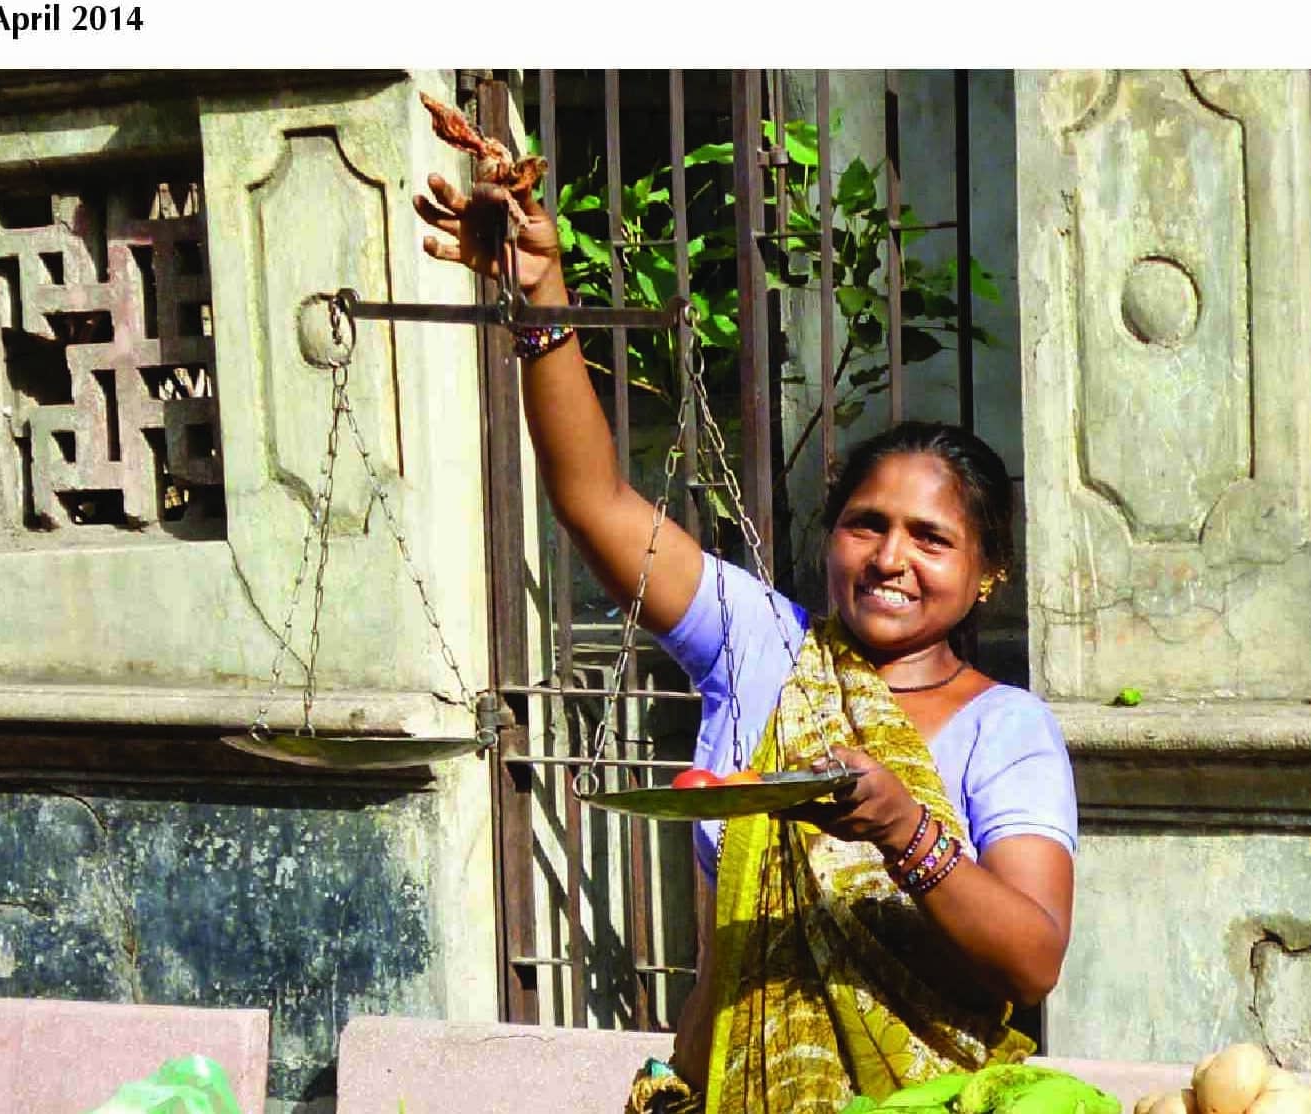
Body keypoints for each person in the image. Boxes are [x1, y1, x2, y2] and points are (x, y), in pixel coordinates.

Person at [415, 163, 1077, 1114]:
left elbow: (1032, 958)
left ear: (987, 573)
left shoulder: (1007, 728)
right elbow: (594, 501)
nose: (891, 558)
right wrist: (539, 295)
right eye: (866, 525)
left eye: (931, 539)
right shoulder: (765, 646)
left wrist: (904, 830)